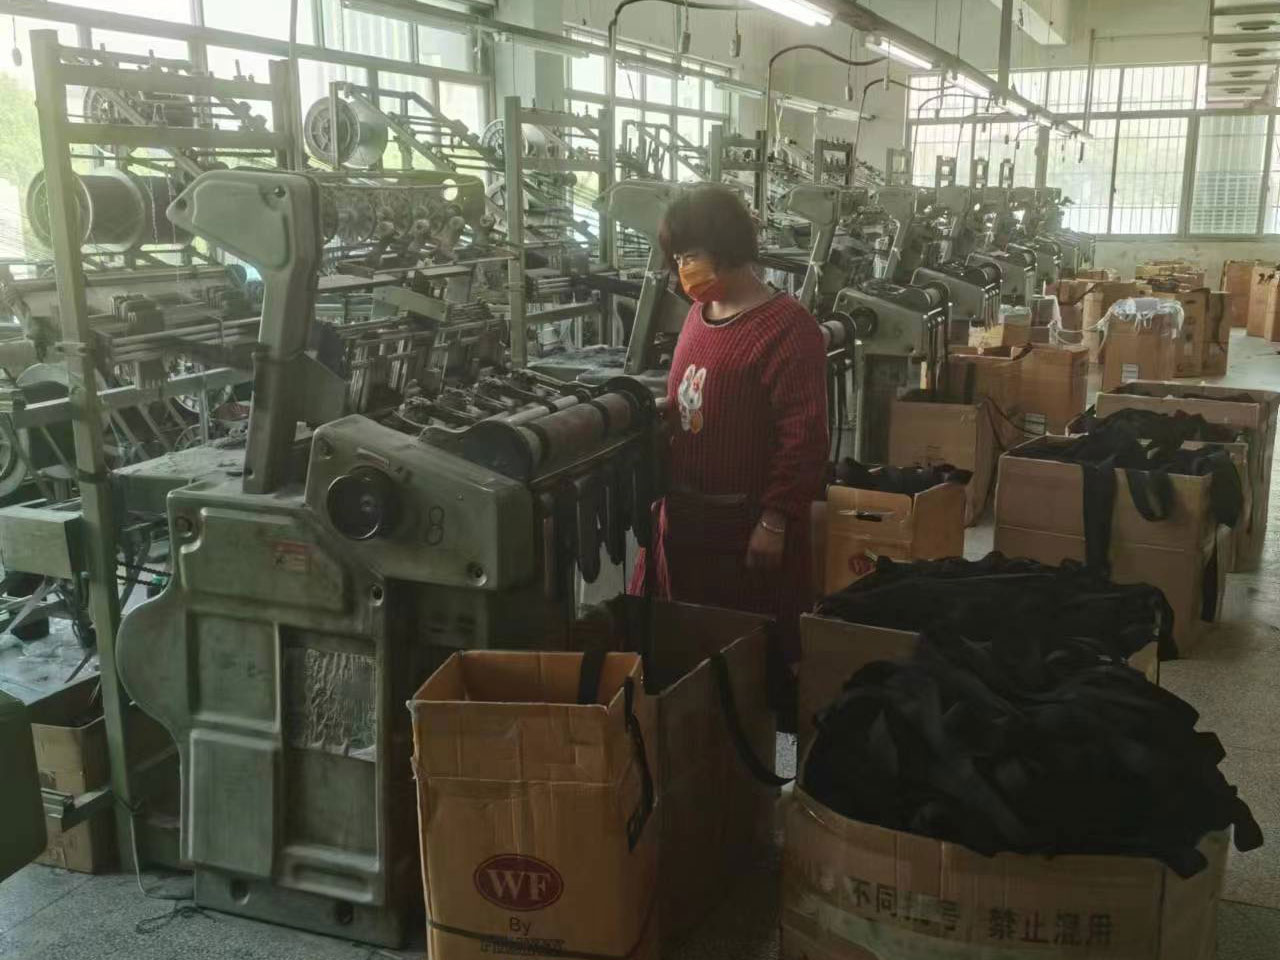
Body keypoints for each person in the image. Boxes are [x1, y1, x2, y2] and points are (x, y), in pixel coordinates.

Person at [629, 184, 829, 662]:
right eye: (678, 258)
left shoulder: (787, 328)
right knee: (684, 656)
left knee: (747, 658)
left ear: (728, 248)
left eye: (692, 255)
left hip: (747, 529)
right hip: (687, 522)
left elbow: (803, 437)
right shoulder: (698, 316)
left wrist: (775, 520)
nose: (684, 269)